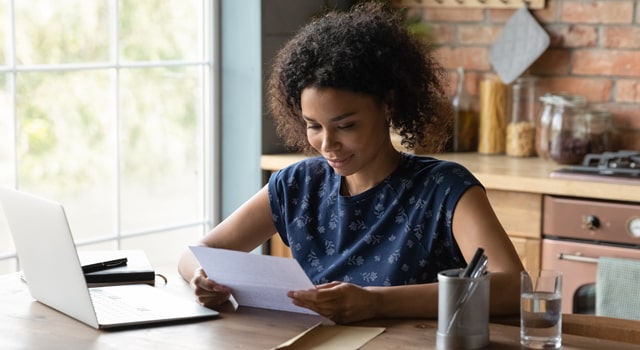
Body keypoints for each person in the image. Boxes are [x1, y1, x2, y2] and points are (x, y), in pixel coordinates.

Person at [178, 2, 524, 324]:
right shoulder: (298, 185)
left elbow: (512, 286)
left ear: (388, 104)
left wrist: (376, 302)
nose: (327, 145)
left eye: (346, 126)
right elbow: (197, 253)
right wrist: (201, 277)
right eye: (314, 126)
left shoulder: (444, 188)